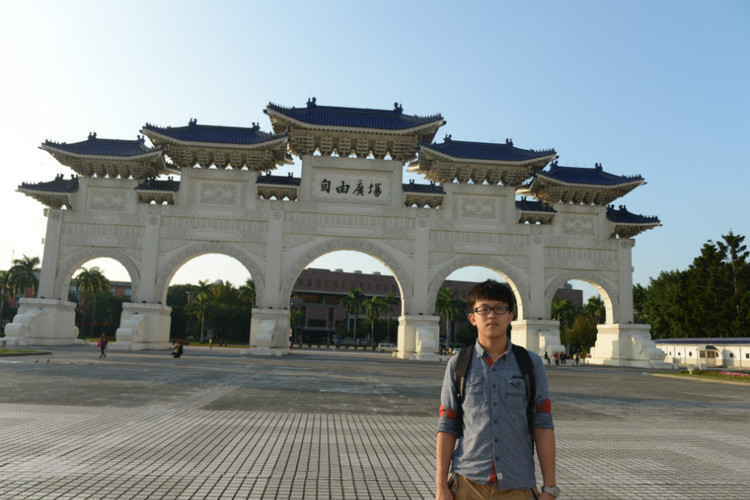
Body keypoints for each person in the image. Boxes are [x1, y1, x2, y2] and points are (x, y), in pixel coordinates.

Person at [436, 280, 558, 500]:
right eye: (484, 310)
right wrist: (440, 486)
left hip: (517, 486)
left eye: (500, 309)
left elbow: (543, 424)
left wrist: (549, 489)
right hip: (467, 485)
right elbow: (447, 424)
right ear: (472, 318)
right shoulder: (458, 365)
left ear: (510, 316)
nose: (492, 315)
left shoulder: (530, 364)